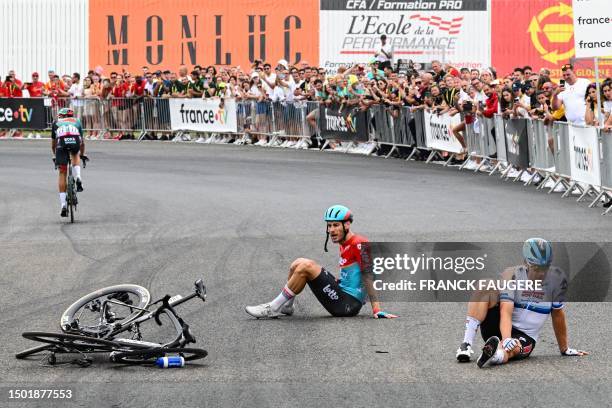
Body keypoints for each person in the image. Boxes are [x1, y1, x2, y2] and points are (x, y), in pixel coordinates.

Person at [245, 205, 398, 319]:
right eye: (329, 225)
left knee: (306, 267)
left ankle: (273, 307)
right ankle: (287, 306)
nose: (331, 230)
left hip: (347, 305)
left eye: (336, 225)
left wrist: (376, 309)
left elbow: (369, 275)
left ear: (347, 225)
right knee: (298, 262)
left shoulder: (359, 243)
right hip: (342, 292)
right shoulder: (344, 243)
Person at [456, 238, 588, 367]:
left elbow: (558, 315)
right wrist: (506, 338)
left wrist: (564, 348)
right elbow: (505, 311)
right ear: (526, 263)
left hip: (525, 336)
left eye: (545, 267)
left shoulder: (556, 281)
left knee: (515, 346)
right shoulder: (512, 274)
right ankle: (466, 345)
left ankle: (495, 354)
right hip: (500, 327)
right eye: (536, 268)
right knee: (485, 285)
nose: (541, 273)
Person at [51, 108, 85, 217]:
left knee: (62, 173)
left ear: (61, 116)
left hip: (61, 143)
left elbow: (53, 144)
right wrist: (82, 154)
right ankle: (78, 177)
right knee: (75, 154)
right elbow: (82, 142)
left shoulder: (56, 123)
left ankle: (63, 205)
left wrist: (54, 154)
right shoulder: (77, 121)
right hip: (75, 140)